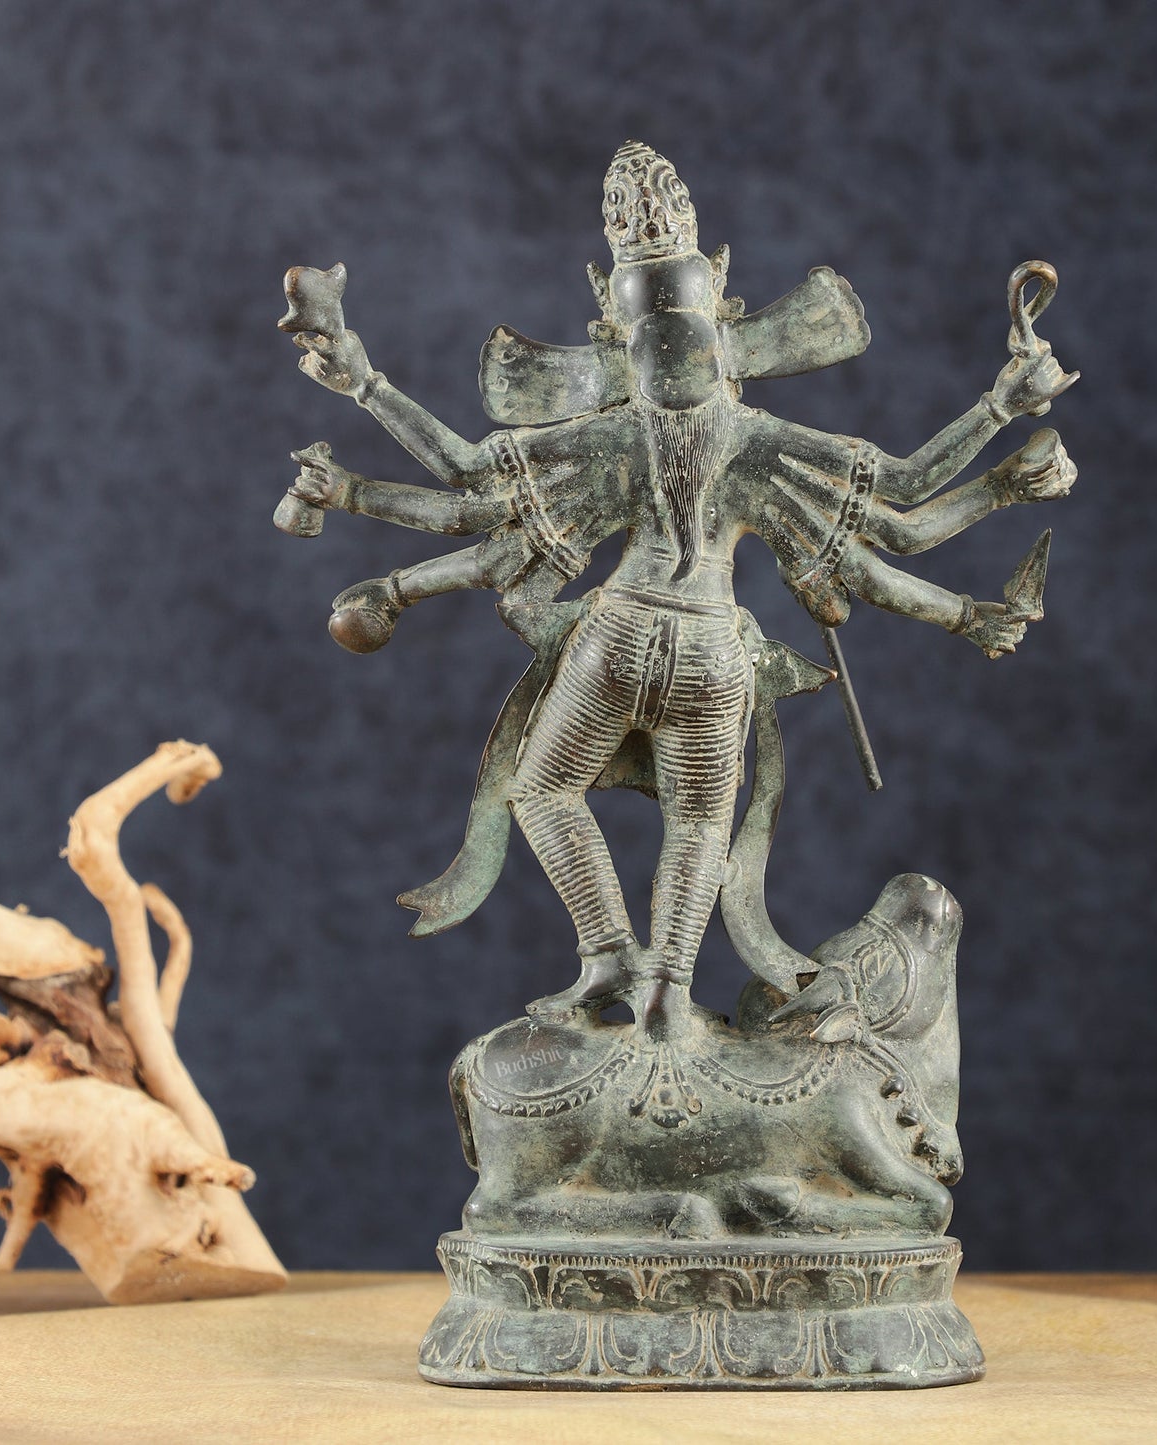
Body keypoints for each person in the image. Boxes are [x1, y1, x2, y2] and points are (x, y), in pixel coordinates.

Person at [283, 142, 1077, 1038]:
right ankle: (665, 982)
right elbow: (904, 508)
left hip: (614, 640)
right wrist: (1001, 422)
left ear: (609, 326)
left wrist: (362, 390)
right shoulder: (761, 439)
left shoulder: (607, 436)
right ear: (722, 305)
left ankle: (604, 953)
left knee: (542, 792)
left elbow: (464, 483)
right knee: (700, 826)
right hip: (711, 654)